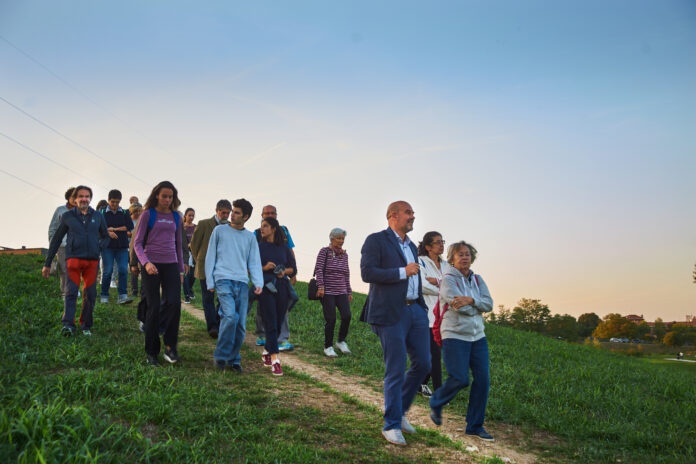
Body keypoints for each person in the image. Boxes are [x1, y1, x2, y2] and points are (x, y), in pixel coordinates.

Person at [360, 201, 430, 446]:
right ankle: (390, 425)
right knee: (396, 368)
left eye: (412, 212)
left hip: (415, 311)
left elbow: (415, 276)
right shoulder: (376, 240)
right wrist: (402, 272)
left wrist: (421, 306)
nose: (413, 216)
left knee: (423, 364)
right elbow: (367, 273)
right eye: (408, 212)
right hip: (390, 312)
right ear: (393, 215)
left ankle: (399, 413)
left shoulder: (412, 245)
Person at [429, 241, 494, 442]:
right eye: (460, 254)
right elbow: (458, 307)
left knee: (483, 381)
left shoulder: (477, 279)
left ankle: (474, 426)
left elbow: (489, 304)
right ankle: (437, 401)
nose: (464, 257)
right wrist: (474, 305)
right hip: (454, 335)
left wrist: (472, 300)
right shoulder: (448, 279)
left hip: (478, 337)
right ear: (452, 259)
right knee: (460, 378)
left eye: (467, 254)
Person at [205, 199, 263, 372]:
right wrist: (210, 280)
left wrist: (258, 282)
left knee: (240, 325)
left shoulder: (249, 237)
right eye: (233, 211)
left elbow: (254, 261)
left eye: (237, 212)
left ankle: (234, 359)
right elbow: (210, 256)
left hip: (242, 283)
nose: (232, 214)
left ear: (245, 217)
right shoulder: (219, 231)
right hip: (223, 279)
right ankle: (221, 357)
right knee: (230, 317)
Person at [42, 185, 108, 336]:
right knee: (71, 292)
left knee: (90, 294)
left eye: (87, 196)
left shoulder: (98, 216)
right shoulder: (67, 216)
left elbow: (106, 236)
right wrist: (47, 263)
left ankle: (86, 326)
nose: (84, 199)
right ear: (75, 199)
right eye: (81, 196)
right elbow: (56, 239)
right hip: (73, 259)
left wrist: (99, 247)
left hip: (92, 261)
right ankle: (68, 325)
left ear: (90, 198)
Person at [133, 181, 185, 367]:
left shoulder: (177, 217)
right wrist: (145, 263)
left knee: (174, 304)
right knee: (153, 307)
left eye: (170, 197)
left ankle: (170, 348)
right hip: (151, 266)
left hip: (171, 264)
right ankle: (152, 353)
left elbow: (178, 244)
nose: (167, 200)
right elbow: (137, 243)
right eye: (164, 196)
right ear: (157, 195)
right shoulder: (148, 214)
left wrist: (180, 269)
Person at [253, 205, 297, 351]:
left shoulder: (284, 236)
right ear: (262, 215)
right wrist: (264, 268)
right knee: (263, 309)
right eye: (267, 214)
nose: (269, 215)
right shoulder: (256, 238)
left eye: (272, 213)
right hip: (264, 282)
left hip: (281, 283)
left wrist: (286, 272)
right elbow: (250, 263)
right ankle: (263, 336)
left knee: (281, 310)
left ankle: (279, 339)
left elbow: (291, 259)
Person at [190, 200, 231, 337]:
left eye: (227, 213)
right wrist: (200, 260)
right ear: (216, 210)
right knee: (208, 298)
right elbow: (194, 245)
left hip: (222, 268)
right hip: (204, 267)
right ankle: (212, 327)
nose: (225, 215)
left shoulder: (230, 227)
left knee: (222, 297)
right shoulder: (203, 224)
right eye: (223, 212)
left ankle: (219, 324)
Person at [417, 231, 449, 398]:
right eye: (437, 242)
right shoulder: (420, 261)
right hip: (428, 315)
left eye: (442, 241)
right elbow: (421, 285)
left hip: (446, 316)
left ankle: (418, 383)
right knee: (435, 355)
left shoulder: (447, 266)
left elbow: (455, 285)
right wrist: (444, 289)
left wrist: (437, 282)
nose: (441, 244)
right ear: (428, 246)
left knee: (433, 355)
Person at [315, 228, 352, 357]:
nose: (341, 241)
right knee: (331, 319)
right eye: (339, 238)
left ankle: (341, 341)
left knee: (347, 316)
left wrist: (349, 291)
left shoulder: (344, 255)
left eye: (343, 238)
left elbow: (346, 273)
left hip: (341, 291)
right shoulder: (324, 252)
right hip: (327, 291)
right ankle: (328, 346)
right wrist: (321, 287)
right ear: (332, 239)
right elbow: (319, 269)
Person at [99, 189, 134, 304]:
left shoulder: (124, 212)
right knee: (107, 271)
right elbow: (99, 228)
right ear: (108, 200)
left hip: (122, 247)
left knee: (123, 270)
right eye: (112, 202)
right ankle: (104, 295)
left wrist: (113, 228)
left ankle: (122, 295)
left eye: (117, 202)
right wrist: (108, 232)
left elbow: (128, 227)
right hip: (107, 247)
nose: (114, 205)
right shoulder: (102, 212)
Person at [47, 186, 76, 298]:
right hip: (62, 244)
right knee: (64, 268)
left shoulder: (80, 211)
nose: (75, 199)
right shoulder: (60, 210)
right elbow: (52, 228)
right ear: (68, 197)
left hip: (76, 244)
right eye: (73, 196)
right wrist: (53, 244)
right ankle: (65, 292)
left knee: (74, 268)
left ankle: (74, 289)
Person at [128, 202, 143, 297]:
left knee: (142, 269)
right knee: (133, 268)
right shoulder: (128, 221)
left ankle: (143, 290)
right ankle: (134, 289)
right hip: (130, 247)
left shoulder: (142, 220)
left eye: (139, 211)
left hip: (141, 248)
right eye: (136, 211)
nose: (138, 213)